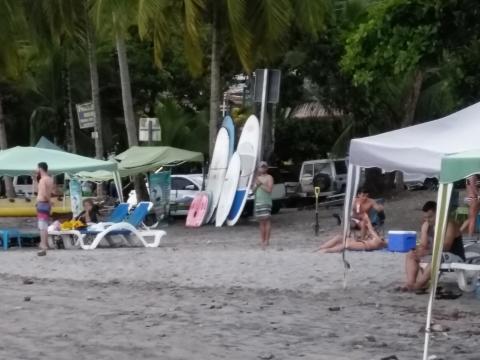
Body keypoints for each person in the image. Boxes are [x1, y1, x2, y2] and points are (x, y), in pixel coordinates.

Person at [402, 201, 465, 291]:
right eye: (425, 217)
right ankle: (410, 283)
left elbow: (446, 246)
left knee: (437, 256)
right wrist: (418, 250)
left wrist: (428, 251)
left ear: (438, 213)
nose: (428, 220)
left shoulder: (449, 224)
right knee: (410, 254)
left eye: (430, 217)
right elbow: (423, 245)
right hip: (435, 254)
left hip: (454, 256)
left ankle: (419, 285)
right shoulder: (426, 225)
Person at [316, 216, 386, 253]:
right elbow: (364, 232)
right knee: (339, 238)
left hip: (364, 245)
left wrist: (370, 229)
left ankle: (325, 251)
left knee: (346, 244)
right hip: (361, 242)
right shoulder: (373, 237)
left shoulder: (379, 241)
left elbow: (373, 233)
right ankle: (320, 248)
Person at [252, 161, 274, 250]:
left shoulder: (269, 177)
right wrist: (255, 185)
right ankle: (262, 239)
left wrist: (260, 184)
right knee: (261, 222)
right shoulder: (257, 178)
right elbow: (253, 190)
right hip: (258, 201)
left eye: (264, 167)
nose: (263, 168)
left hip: (266, 201)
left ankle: (267, 240)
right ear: (259, 168)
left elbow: (269, 189)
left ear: (267, 168)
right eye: (261, 167)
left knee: (267, 220)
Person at [35, 162, 54, 256]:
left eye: (37, 168)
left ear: (40, 169)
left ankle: (43, 246)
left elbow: (43, 193)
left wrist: (49, 200)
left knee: (42, 226)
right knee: (45, 225)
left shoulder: (43, 180)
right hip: (46, 204)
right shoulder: (50, 179)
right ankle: (45, 245)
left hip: (42, 203)